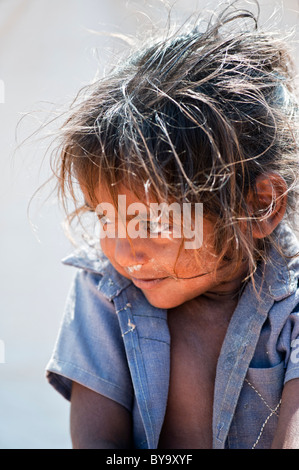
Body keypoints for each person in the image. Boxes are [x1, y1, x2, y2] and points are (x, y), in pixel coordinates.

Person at [46, 1, 299, 449]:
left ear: (260, 207)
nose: (124, 252)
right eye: (106, 217)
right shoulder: (106, 288)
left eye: (153, 221)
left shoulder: (290, 304)